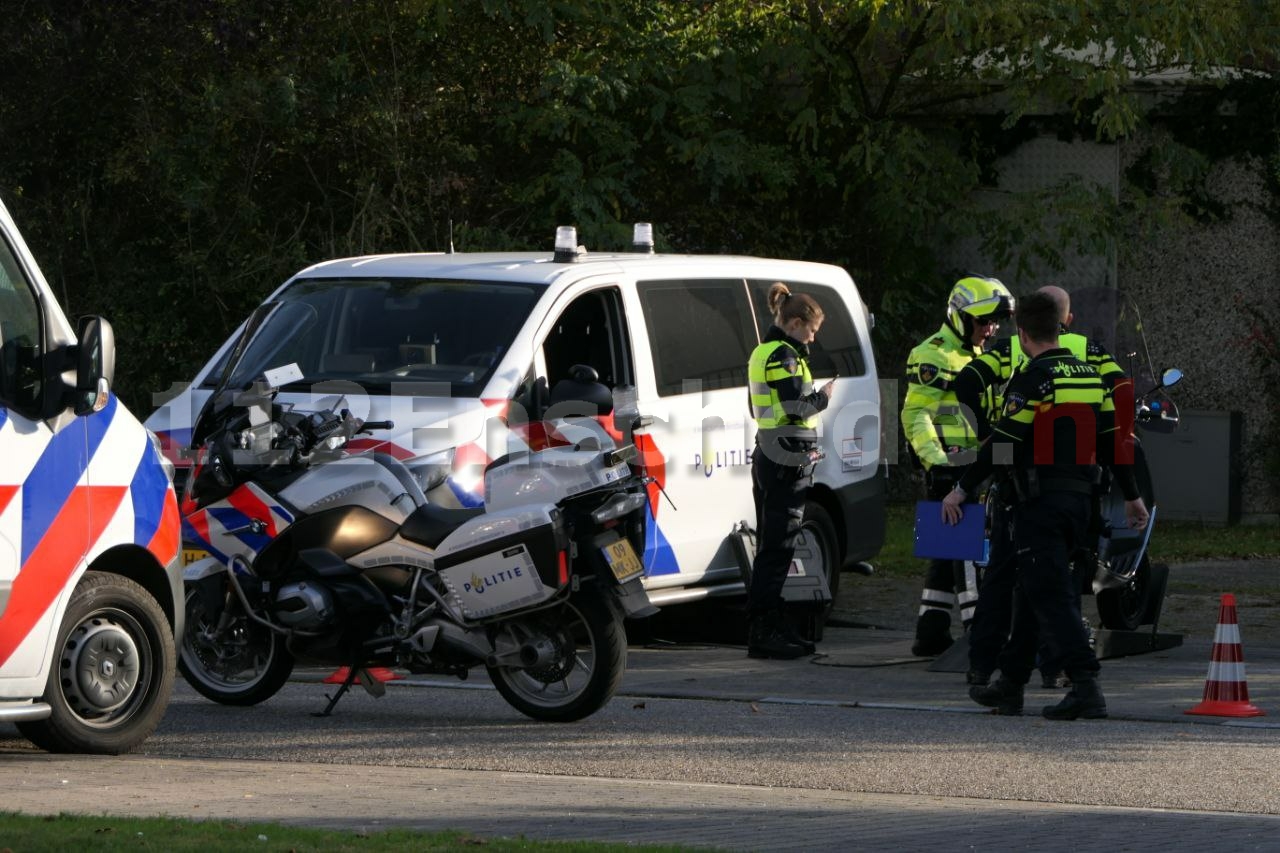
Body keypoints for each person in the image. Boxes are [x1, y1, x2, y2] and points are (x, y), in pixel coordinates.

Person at [942, 290, 1149, 720]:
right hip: (1082, 503)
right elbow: (1112, 440)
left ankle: (1086, 686)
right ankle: (1012, 686)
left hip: (1039, 504)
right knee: (1034, 590)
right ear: (1062, 325)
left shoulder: (1033, 379)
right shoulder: (1091, 375)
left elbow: (1005, 445)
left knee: (1050, 595)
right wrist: (1131, 496)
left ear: (1021, 332)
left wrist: (962, 487)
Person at [901, 275, 1014, 656]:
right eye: (984, 321)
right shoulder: (934, 355)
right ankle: (978, 634)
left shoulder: (976, 355)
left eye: (995, 321)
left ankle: (930, 632)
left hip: (974, 465)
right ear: (959, 317)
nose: (991, 328)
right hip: (953, 468)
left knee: (945, 549)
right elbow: (916, 416)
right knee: (969, 553)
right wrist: (937, 464)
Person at [746, 282, 834, 659]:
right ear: (796, 323)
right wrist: (823, 398)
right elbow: (797, 408)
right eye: (811, 331)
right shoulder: (783, 356)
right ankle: (765, 632)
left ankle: (771, 626)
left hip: (772, 453)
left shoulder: (763, 351)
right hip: (784, 457)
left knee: (773, 547)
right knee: (777, 549)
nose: (812, 340)